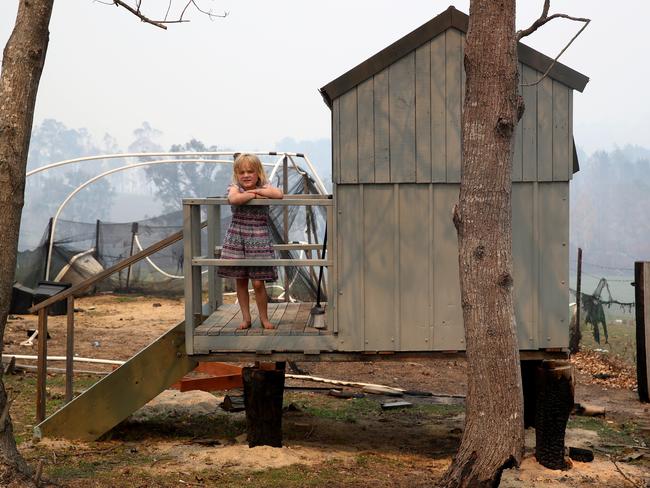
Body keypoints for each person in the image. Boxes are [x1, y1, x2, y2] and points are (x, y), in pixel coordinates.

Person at [218, 153, 283, 329]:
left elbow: (278, 194)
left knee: (258, 282)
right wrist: (253, 195)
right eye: (242, 172)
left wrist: (256, 191)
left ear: (258, 173)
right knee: (241, 279)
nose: (246, 175)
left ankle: (264, 318)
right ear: (236, 174)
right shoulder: (234, 187)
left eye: (250, 171)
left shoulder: (265, 186)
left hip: (259, 237)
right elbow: (234, 199)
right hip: (238, 236)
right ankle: (246, 318)